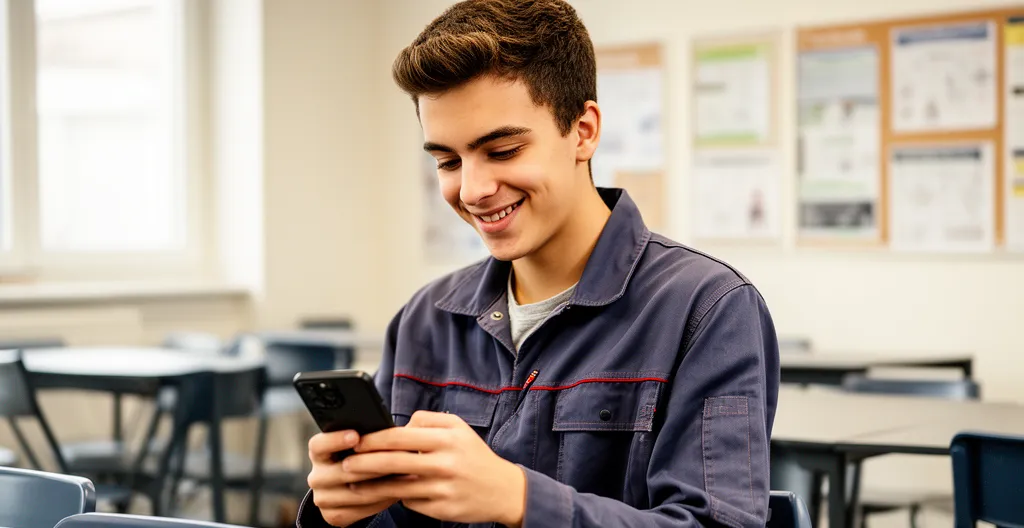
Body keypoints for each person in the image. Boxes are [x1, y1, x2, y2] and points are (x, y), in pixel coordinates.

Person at [298, 1, 780, 526]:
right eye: (447, 161)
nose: (475, 189)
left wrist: (520, 499)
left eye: (502, 150)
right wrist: (341, 512)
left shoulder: (708, 310)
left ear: (583, 130)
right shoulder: (423, 321)